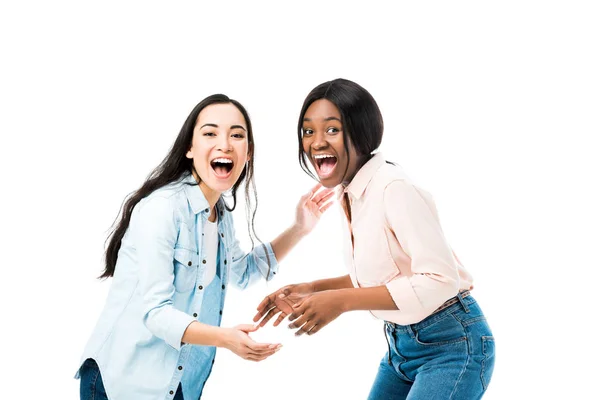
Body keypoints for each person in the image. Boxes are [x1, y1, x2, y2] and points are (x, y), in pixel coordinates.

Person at [76, 94, 334, 400]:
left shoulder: (219, 213)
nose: (224, 144)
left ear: (247, 152)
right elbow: (156, 313)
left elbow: (242, 272)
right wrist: (225, 339)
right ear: (189, 148)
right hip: (122, 382)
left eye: (236, 135)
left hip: (176, 382)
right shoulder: (162, 208)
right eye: (210, 133)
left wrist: (300, 228)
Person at [254, 79, 495, 399]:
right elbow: (381, 276)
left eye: (332, 130)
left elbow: (440, 280)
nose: (316, 142)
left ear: (361, 131)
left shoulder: (393, 188)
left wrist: (340, 302)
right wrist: (313, 289)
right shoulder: (350, 192)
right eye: (308, 131)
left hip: (453, 344)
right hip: (402, 348)